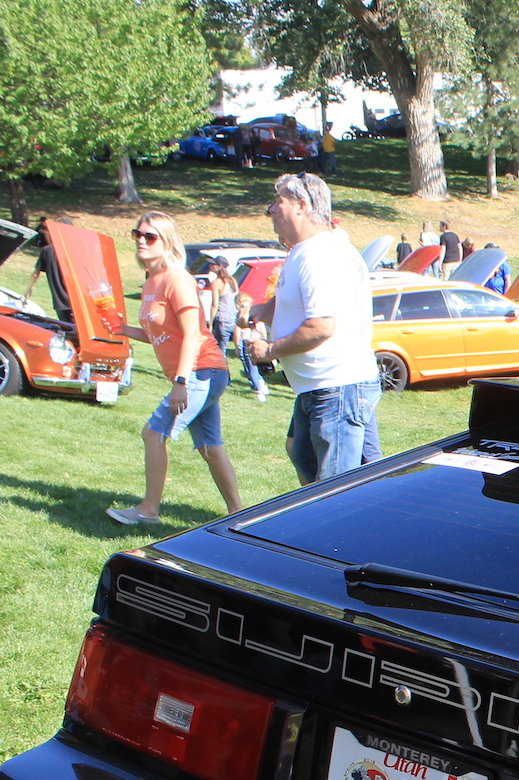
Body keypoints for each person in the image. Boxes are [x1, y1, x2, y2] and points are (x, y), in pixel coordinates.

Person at [247, 173, 383, 485]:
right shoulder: (304, 251)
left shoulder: (321, 255)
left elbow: (321, 327)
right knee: (306, 459)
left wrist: (269, 350)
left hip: (337, 387)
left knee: (335, 487)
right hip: (322, 387)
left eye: (278, 202)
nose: (270, 210)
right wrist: (258, 312)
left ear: (302, 205)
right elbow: (289, 304)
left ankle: (340, 532)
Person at [106, 213, 239, 526]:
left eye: (150, 236)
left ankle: (148, 510)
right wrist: (123, 330)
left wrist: (180, 382)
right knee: (210, 447)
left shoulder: (177, 278)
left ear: (167, 243)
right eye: (137, 233)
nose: (141, 240)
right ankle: (239, 515)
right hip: (200, 372)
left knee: (153, 433)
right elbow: (160, 332)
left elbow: (193, 332)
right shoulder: (151, 282)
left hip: (201, 371)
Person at [207, 260, 269, 403]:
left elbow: (215, 303)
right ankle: (257, 381)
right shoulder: (233, 280)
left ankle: (224, 380)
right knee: (243, 354)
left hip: (222, 319)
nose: (210, 266)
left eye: (212, 264)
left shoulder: (217, 282)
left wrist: (210, 321)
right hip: (234, 319)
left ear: (217, 266)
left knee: (220, 351)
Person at [22, 220, 75, 324]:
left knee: (68, 327)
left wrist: (28, 289)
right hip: (77, 299)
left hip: (60, 301)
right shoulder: (74, 250)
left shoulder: (47, 251)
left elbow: (36, 273)